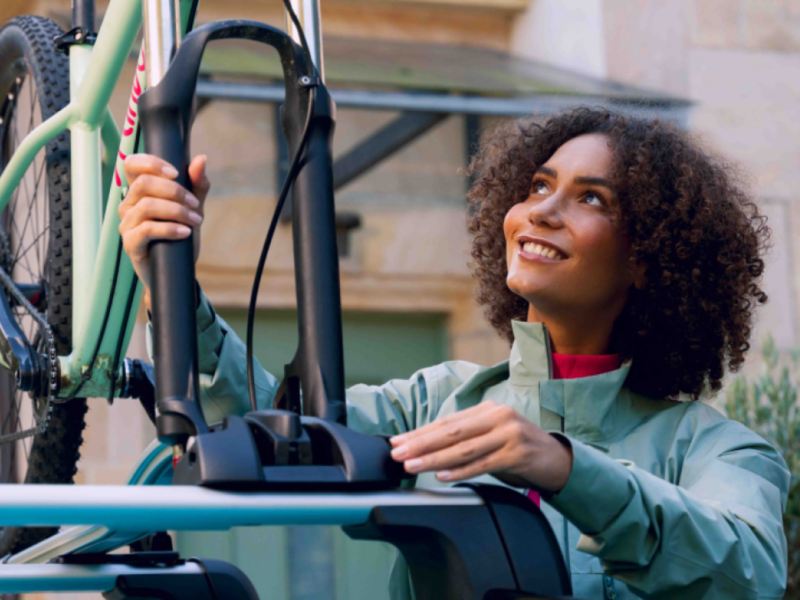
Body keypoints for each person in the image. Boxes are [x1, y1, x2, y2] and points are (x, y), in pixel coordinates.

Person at [119, 107, 789, 598]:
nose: (541, 212)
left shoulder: (716, 450)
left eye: (591, 198)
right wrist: (172, 285)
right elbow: (276, 429)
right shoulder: (437, 401)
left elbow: (751, 571)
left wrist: (564, 467)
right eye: (536, 186)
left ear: (651, 257)